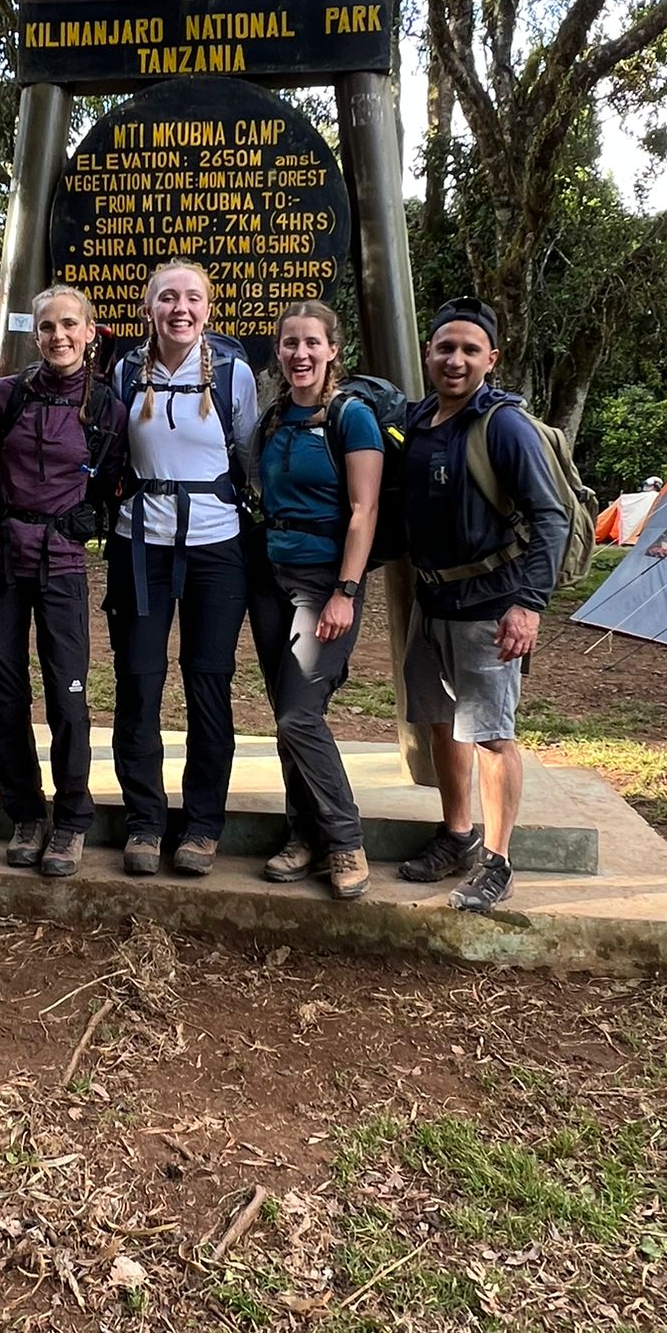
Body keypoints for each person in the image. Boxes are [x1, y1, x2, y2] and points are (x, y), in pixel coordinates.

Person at [396, 298, 567, 914]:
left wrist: (528, 604)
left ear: (491, 359)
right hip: (432, 598)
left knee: (491, 732)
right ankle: (457, 833)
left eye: (470, 350)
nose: (456, 359)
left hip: (491, 603)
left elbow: (552, 517)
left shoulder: (505, 426)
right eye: (445, 347)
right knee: (442, 720)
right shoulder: (418, 422)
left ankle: (498, 860)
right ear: (428, 353)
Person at [107, 258, 258, 876]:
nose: (180, 309)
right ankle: (145, 821)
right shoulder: (123, 372)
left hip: (217, 547)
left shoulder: (233, 374)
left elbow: (248, 453)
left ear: (208, 307)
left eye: (192, 298)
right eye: (167, 297)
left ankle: (202, 826)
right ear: (149, 308)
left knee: (208, 683)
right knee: (139, 682)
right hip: (140, 541)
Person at [0, 286, 128, 877]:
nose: (59, 337)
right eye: (47, 328)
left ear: (90, 332)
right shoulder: (7, 395)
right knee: (7, 692)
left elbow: (110, 480)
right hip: (0, 562)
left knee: (69, 695)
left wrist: (85, 522)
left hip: (61, 564)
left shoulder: (107, 407)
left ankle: (71, 820)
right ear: (34, 335)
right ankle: (26, 814)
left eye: (70, 326)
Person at [249, 302, 383, 900]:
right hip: (270, 577)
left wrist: (345, 592)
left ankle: (345, 840)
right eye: (289, 343)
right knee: (289, 718)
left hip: (325, 581)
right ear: (277, 351)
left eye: (311, 343)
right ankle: (301, 837)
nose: (300, 354)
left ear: (332, 349)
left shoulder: (351, 417)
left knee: (299, 714)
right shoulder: (275, 416)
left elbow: (365, 510)